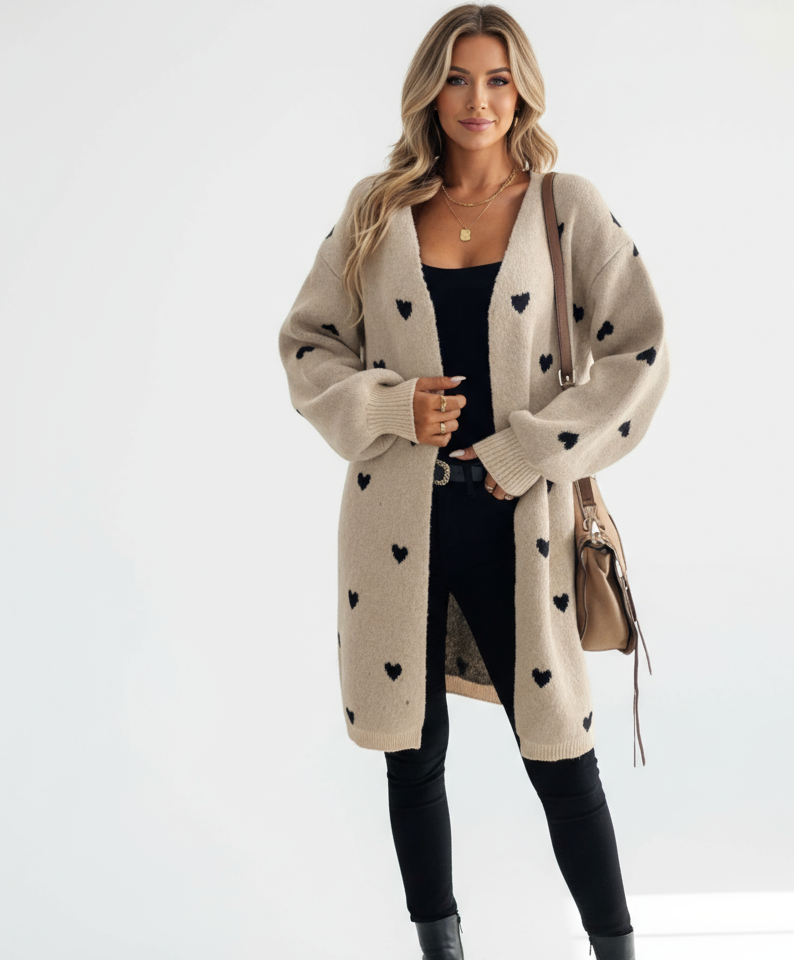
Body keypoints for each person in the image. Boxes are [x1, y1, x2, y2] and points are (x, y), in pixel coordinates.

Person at [277, 5, 669, 958]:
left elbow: (640, 352)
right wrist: (387, 408)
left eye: (497, 78)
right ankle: (440, 947)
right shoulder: (377, 209)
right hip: (395, 522)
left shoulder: (565, 207)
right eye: (457, 77)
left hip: (518, 525)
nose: (478, 99)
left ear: (523, 90)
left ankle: (617, 947)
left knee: (561, 755)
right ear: (429, 90)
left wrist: (530, 448)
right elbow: (308, 345)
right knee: (412, 758)